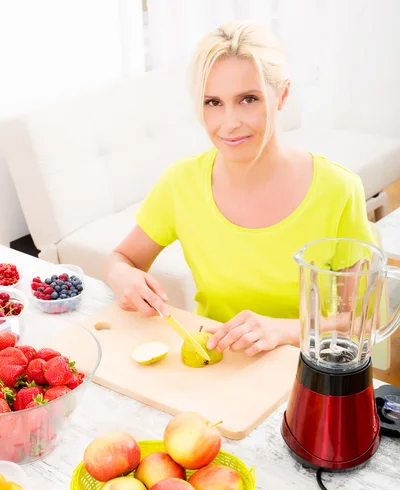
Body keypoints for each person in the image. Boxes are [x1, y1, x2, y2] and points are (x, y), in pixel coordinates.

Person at [104, 21, 376, 357]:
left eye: (248, 99)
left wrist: (284, 329)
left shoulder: (338, 190)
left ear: (283, 95)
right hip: (215, 366)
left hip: (306, 369)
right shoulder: (181, 183)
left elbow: (362, 318)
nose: (229, 123)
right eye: (213, 102)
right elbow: (122, 259)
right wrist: (123, 278)